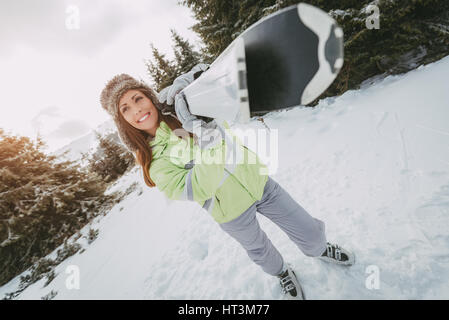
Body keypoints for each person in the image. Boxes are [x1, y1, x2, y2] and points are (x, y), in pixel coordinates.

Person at [100, 63, 355, 300]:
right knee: (260, 251)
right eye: (125, 109)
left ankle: (320, 249)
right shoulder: (156, 163)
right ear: (123, 123)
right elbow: (201, 186)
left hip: (258, 182)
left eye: (138, 99)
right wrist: (206, 132)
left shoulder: (184, 110)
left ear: (150, 98)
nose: (137, 110)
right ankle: (282, 273)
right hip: (230, 212)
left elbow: (218, 86)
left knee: (308, 230)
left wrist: (195, 80)